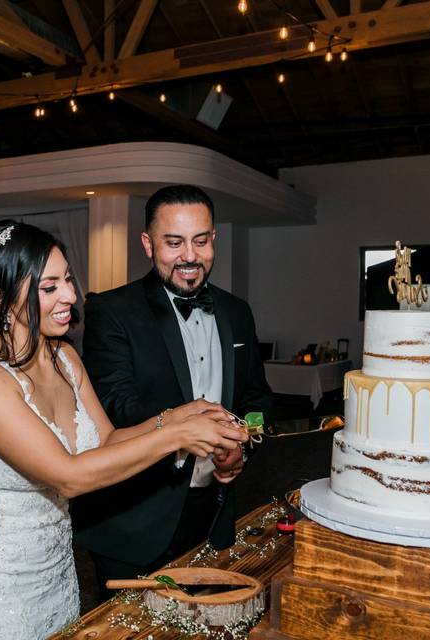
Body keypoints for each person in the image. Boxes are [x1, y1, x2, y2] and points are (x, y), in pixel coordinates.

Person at [0, 221, 246, 640]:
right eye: (49, 288)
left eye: (67, 280)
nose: (70, 295)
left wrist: (176, 415)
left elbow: (106, 441)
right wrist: (176, 437)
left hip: (57, 571)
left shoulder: (63, 356)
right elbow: (69, 476)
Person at [74, 184, 275, 595]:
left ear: (213, 238)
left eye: (200, 241)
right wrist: (184, 429)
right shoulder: (112, 312)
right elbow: (114, 408)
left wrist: (244, 442)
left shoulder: (238, 312)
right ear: (148, 245)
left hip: (214, 512)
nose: (189, 256)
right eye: (173, 242)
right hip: (136, 519)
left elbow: (257, 399)